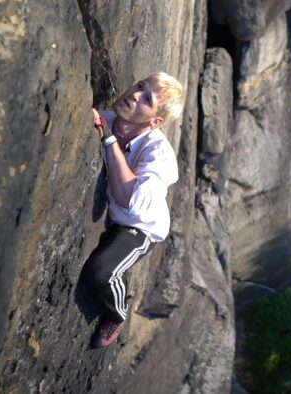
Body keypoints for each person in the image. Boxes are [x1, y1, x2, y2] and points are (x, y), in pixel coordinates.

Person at [82, 72, 184, 348]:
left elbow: (130, 200)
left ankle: (117, 313)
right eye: (140, 86)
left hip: (139, 228)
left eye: (147, 99)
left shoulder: (159, 155)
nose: (135, 95)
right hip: (115, 214)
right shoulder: (109, 118)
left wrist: (109, 140)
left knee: (100, 273)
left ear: (155, 121)